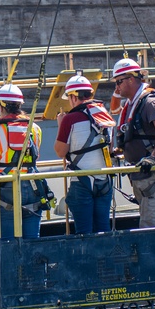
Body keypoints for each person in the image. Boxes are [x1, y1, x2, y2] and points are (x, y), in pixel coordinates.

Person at [111, 58, 155, 228]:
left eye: (119, 82)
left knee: (150, 226)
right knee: (146, 221)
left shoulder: (150, 102)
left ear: (131, 79)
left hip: (153, 176)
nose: (117, 87)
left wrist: (153, 158)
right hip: (141, 176)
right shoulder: (132, 104)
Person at [0, 84, 47, 239]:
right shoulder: (35, 129)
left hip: (5, 189)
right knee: (32, 242)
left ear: (1, 106)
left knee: (7, 242)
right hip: (33, 186)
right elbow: (34, 157)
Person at [54, 75, 116, 233]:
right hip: (104, 181)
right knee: (103, 229)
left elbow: (60, 151)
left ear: (74, 97)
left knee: (84, 232)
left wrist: (61, 125)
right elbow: (109, 149)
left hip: (82, 183)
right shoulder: (105, 115)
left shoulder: (70, 119)